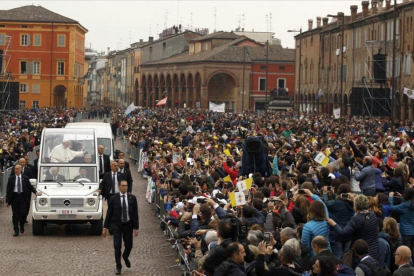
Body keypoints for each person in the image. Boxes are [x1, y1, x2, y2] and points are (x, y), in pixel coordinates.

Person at [327, 194, 381, 262]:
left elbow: (343, 233)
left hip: (361, 252)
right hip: (375, 250)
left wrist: (333, 224)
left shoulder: (357, 219)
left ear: (355, 206)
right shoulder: (372, 214)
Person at [102, 180, 139, 275]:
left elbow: (135, 213)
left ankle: (125, 256)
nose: (124, 187)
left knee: (129, 245)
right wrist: (105, 227)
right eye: (122, 185)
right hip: (116, 225)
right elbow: (109, 213)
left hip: (128, 225)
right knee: (117, 245)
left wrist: (136, 227)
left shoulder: (132, 198)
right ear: (119, 186)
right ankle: (118, 266)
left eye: (126, 185)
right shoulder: (114, 199)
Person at [6, 165, 41, 236]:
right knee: (15, 214)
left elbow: (30, 187)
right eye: (15, 169)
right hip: (15, 197)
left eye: (17, 169)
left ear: (21, 170)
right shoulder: (11, 178)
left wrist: (36, 192)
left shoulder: (25, 178)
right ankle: (16, 230)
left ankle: (21, 224)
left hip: (23, 197)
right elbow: (8, 190)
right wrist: (8, 201)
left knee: (23, 213)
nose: (16, 170)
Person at [389, 189, 414, 262]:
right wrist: (401, 198)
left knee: (407, 253)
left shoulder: (404, 205)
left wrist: (390, 198)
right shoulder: (409, 204)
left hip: (406, 233)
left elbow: (392, 208)